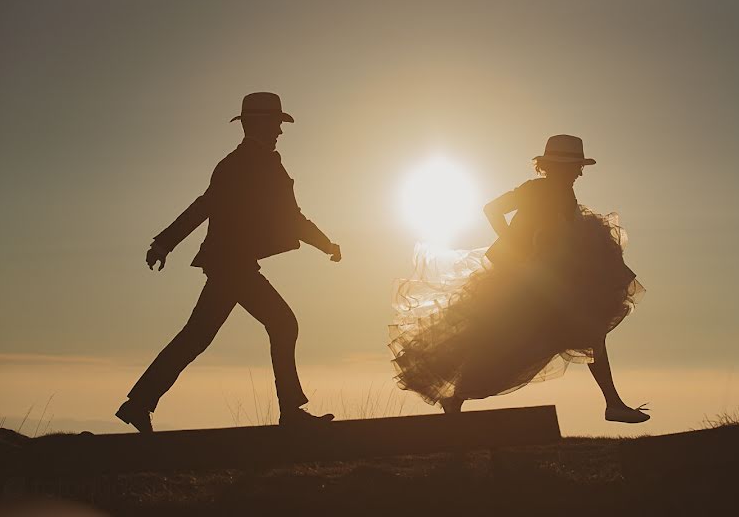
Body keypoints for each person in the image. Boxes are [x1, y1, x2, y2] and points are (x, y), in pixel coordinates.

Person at [116, 92, 342, 433]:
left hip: (231, 264)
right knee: (282, 324)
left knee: (196, 337)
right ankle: (291, 412)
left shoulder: (255, 162)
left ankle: (138, 404)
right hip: (232, 265)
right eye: (276, 124)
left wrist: (164, 244)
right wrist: (164, 242)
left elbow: (279, 215)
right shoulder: (242, 164)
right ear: (257, 124)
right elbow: (209, 206)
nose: (280, 132)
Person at [389, 135, 649, 423]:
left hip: (551, 277)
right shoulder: (538, 189)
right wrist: (514, 243)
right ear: (556, 167)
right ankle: (455, 398)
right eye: (575, 166)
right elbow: (491, 208)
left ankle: (612, 403)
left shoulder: (564, 192)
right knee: (502, 341)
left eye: (579, 166)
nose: (579, 172)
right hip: (528, 279)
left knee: (580, 333)